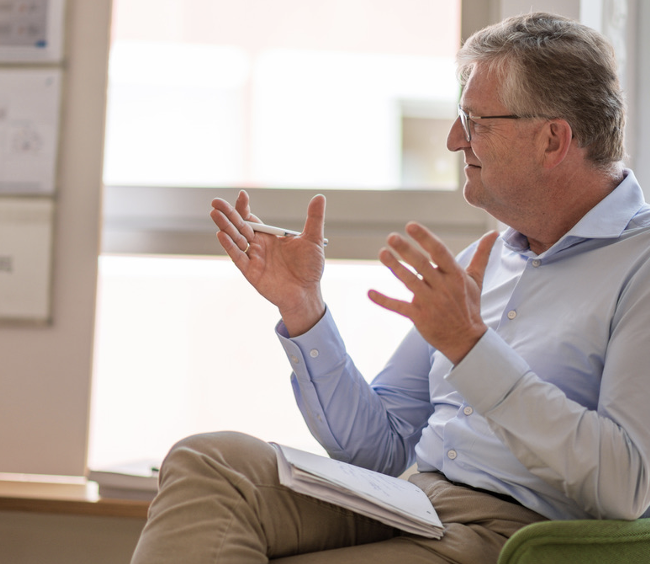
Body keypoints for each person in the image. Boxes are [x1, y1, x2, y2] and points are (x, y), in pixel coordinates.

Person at [131, 12, 650, 564]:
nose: (455, 140)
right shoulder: (484, 262)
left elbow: (626, 485)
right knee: (207, 462)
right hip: (409, 500)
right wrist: (303, 309)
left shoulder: (638, 267)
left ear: (552, 139)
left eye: (476, 121)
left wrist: (474, 349)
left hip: (511, 531)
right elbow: (380, 449)